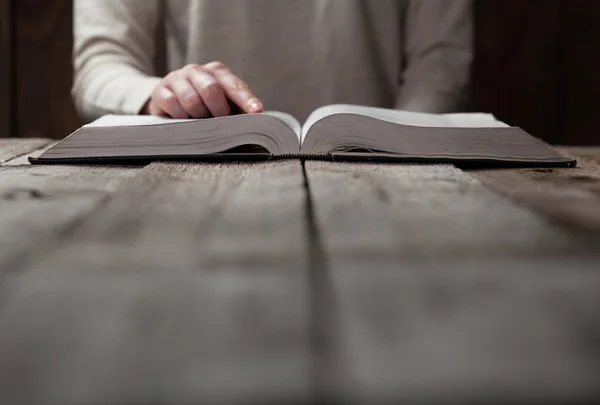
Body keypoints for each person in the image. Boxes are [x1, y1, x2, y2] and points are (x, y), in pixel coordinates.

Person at [73, 0, 472, 123]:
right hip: (199, 176)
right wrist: (159, 95)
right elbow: (101, 64)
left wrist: (405, 143)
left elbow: (439, 60)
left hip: (389, 177)